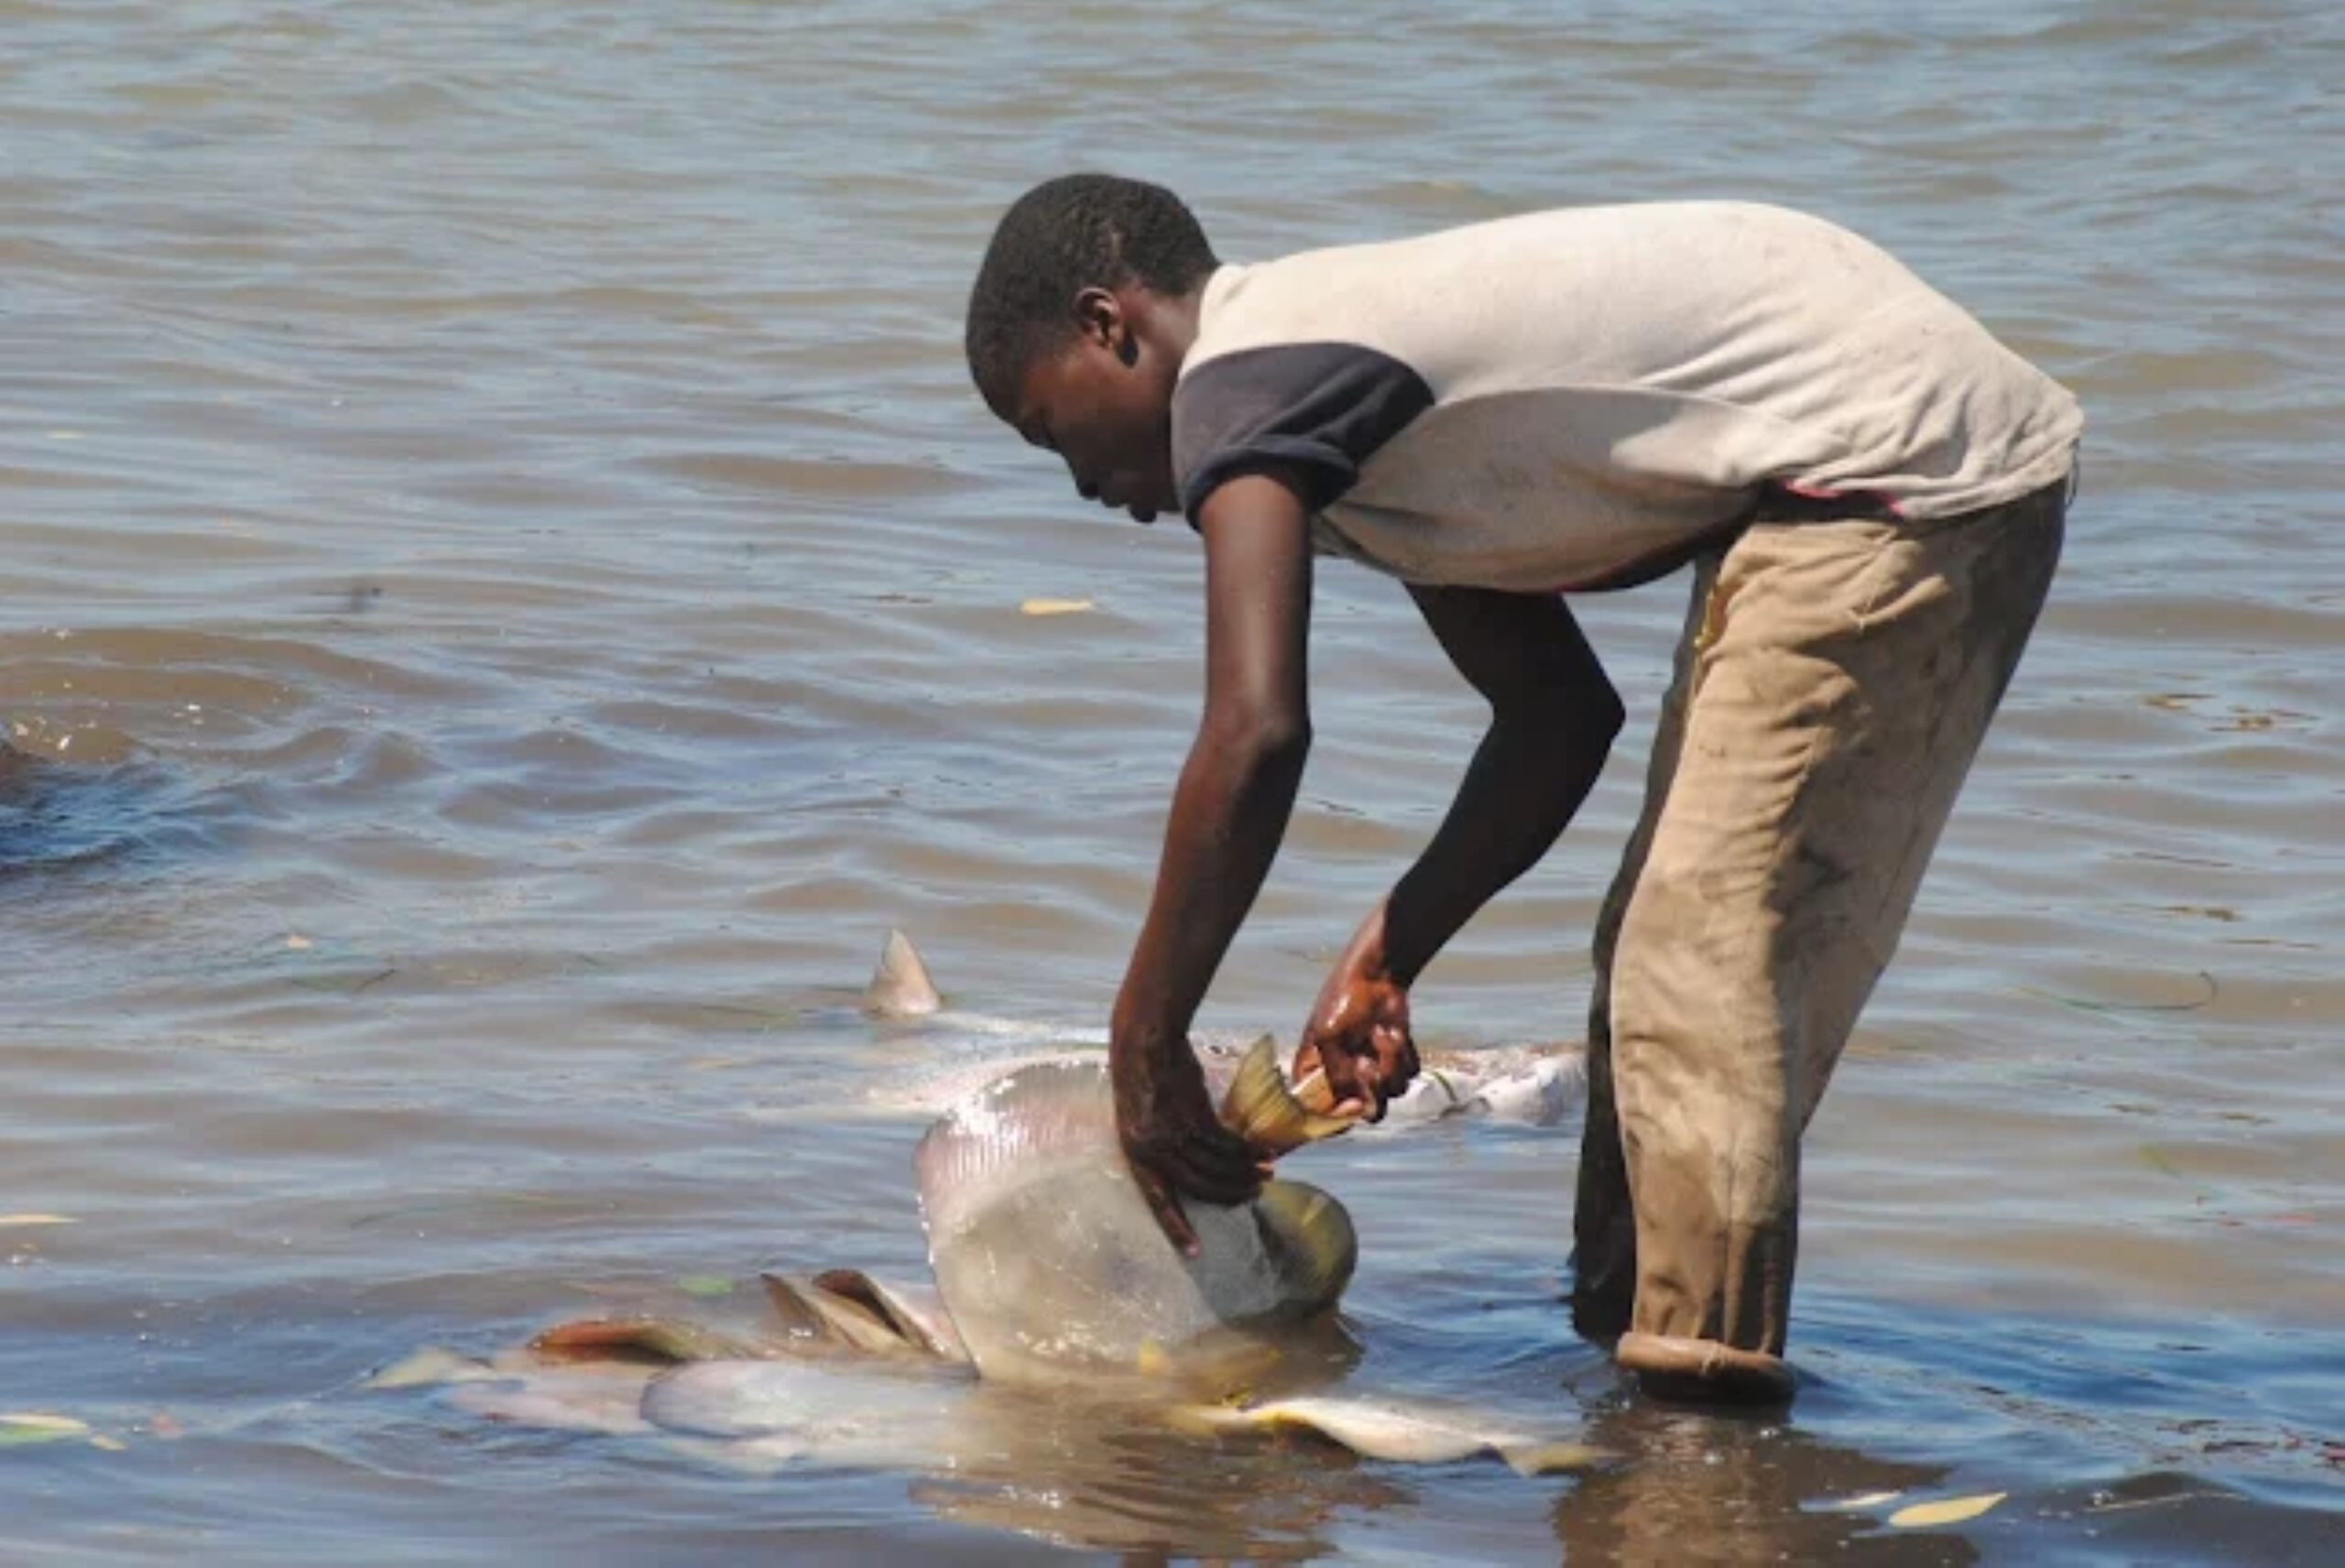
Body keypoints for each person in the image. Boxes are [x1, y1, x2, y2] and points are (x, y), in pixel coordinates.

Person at [961, 174, 2080, 1403]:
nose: (1080, 482)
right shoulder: (1345, 423)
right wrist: (1392, 949)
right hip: (1836, 469)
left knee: (1695, 961)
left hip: (1902, 469)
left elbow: (1255, 732)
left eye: (1051, 430)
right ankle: (1629, 1349)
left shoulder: (1243, 388)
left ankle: (1699, 1434)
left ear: (1110, 324)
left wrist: (1145, 1038)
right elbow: (1555, 721)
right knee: (1653, 959)